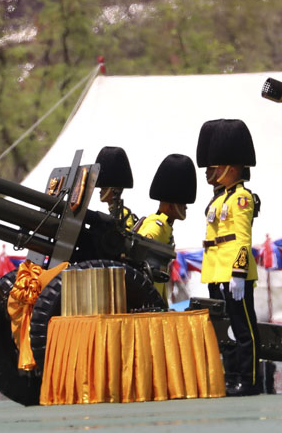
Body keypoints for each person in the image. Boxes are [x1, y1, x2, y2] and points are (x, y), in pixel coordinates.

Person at [198, 119, 261, 396]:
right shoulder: (219, 198)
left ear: (231, 168)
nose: (210, 172)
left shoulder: (241, 198)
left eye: (215, 166)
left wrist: (238, 272)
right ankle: (233, 376)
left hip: (234, 274)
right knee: (227, 332)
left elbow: (242, 239)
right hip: (215, 272)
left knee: (243, 329)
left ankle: (249, 380)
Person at [132, 154, 197, 302]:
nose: (185, 207)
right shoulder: (156, 227)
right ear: (170, 205)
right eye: (182, 203)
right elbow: (139, 260)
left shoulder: (165, 226)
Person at [95, 146, 138, 230]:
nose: (100, 192)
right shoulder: (115, 211)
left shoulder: (123, 214)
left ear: (115, 190)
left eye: (103, 188)